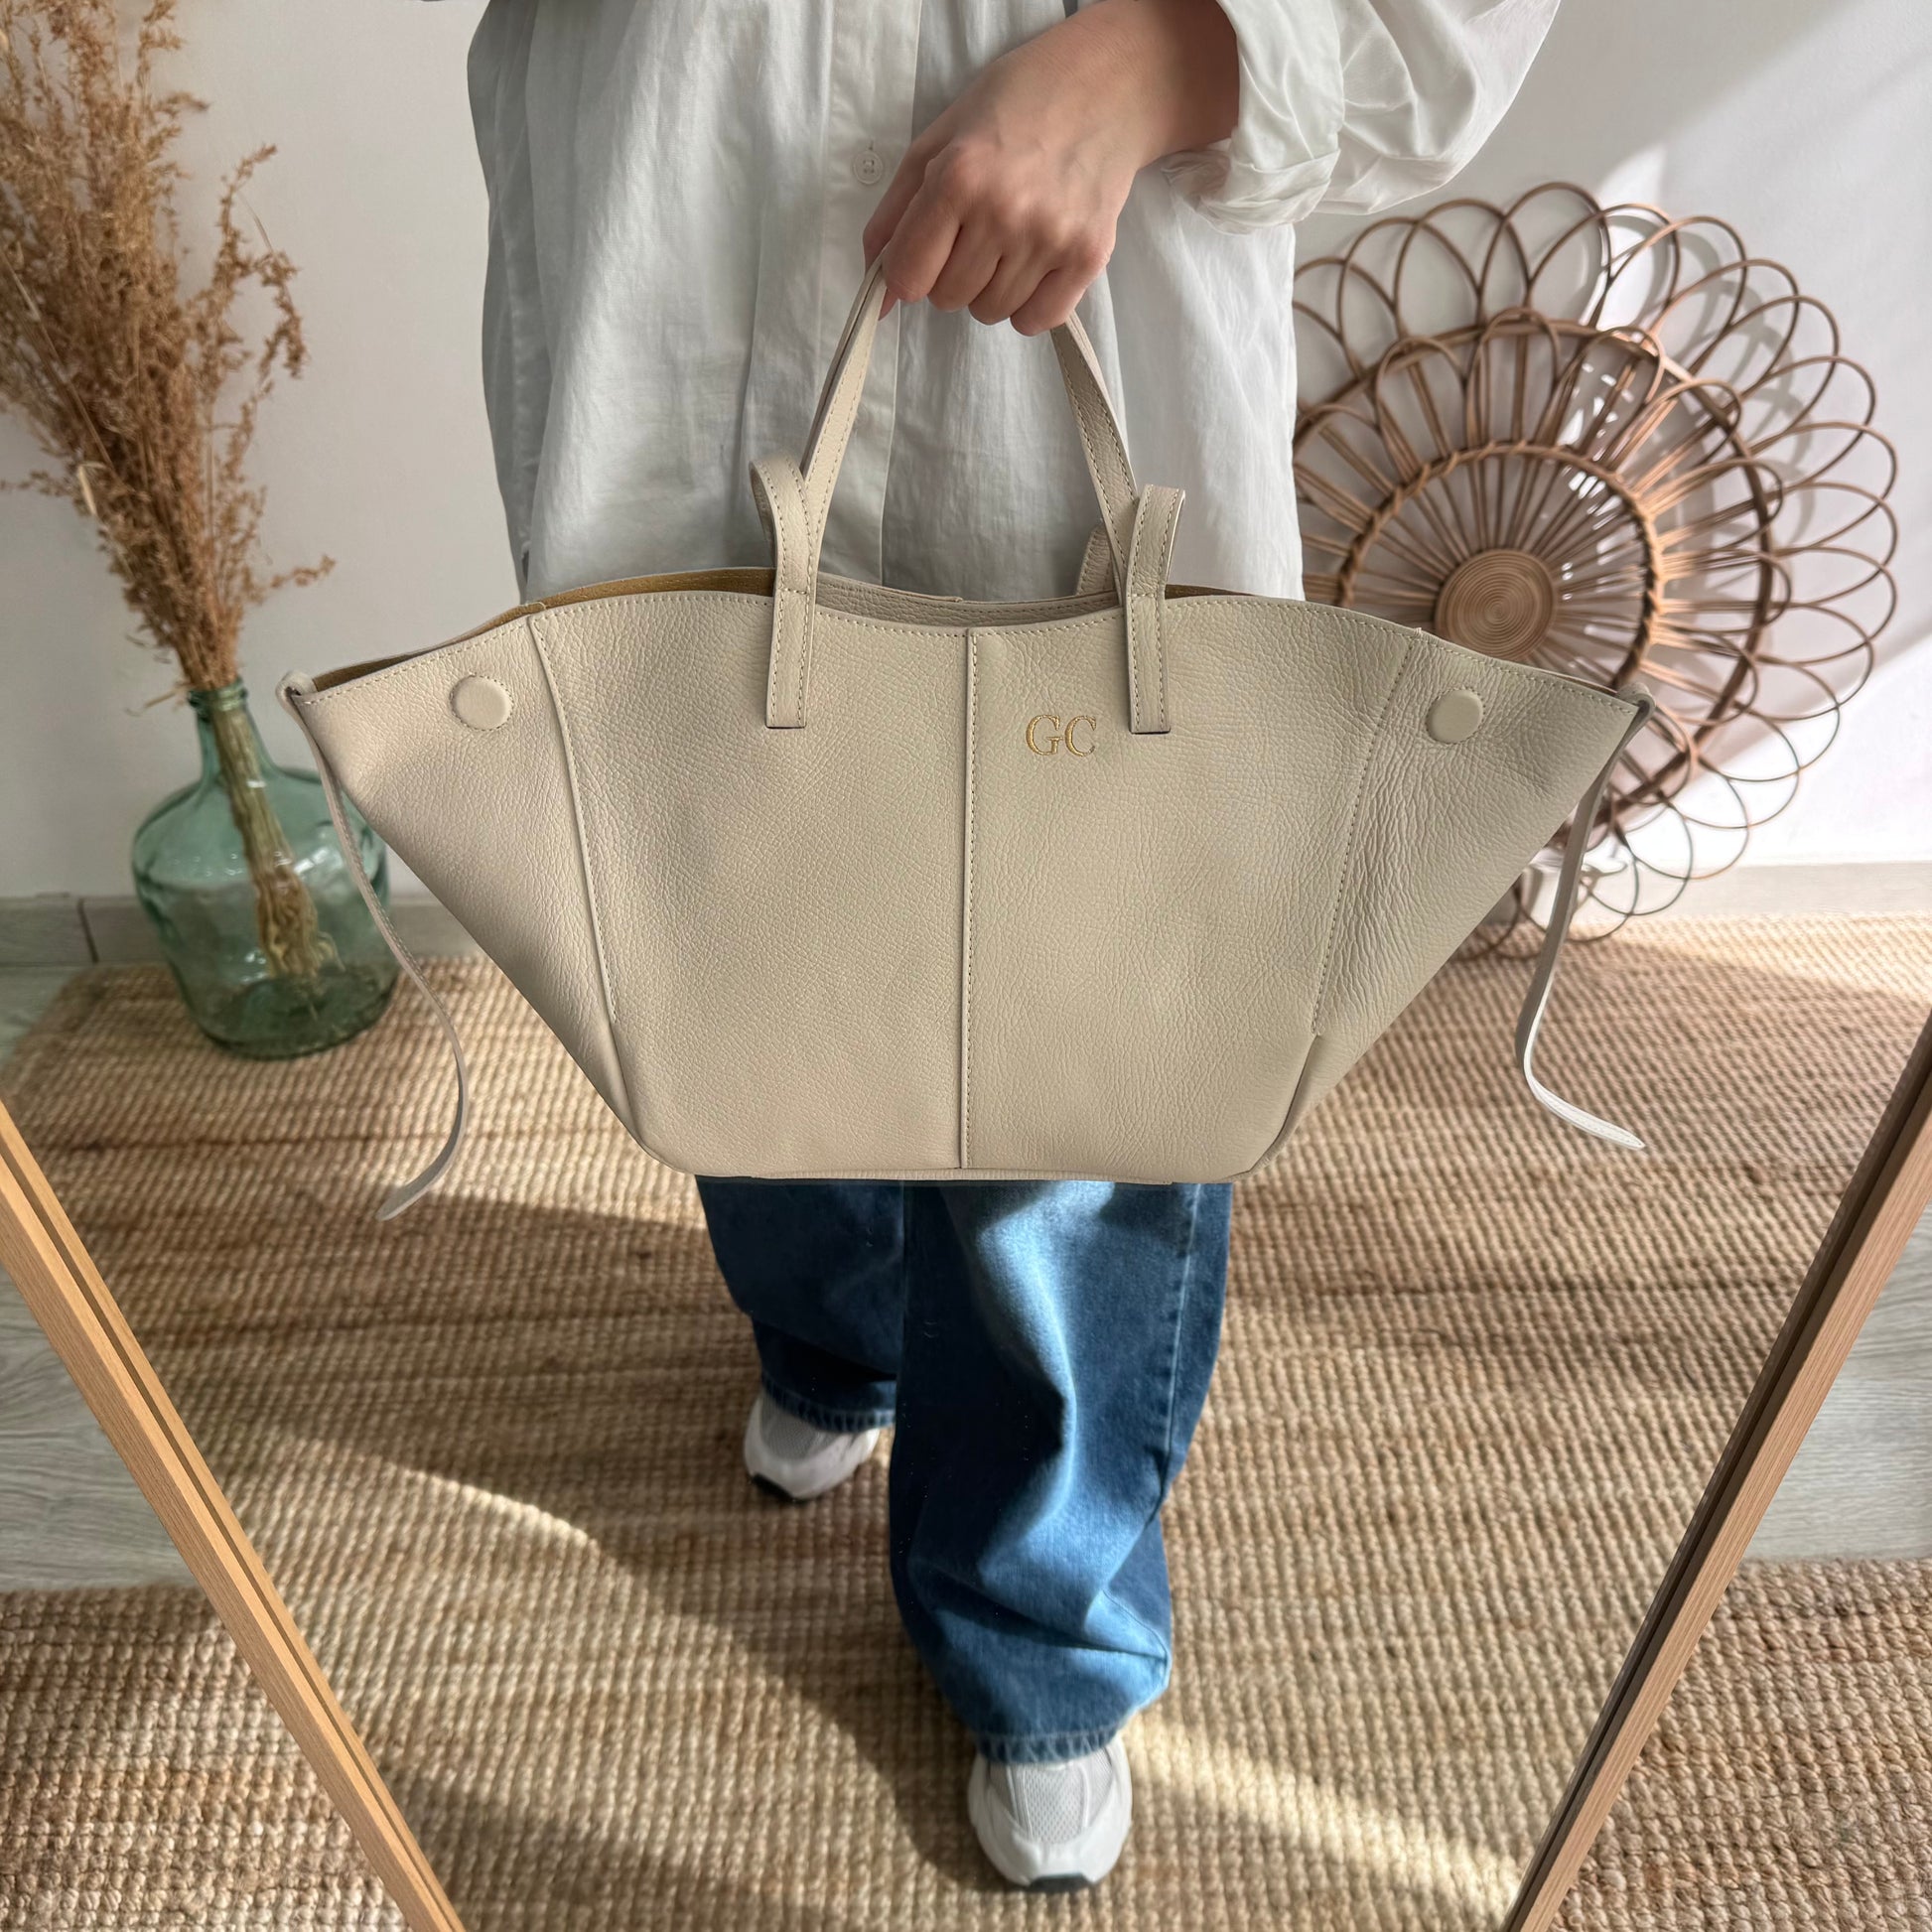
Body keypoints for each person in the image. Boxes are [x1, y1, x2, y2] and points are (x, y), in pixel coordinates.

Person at [458, 0, 1556, 1890]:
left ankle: (1036, 1614)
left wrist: (1165, 58)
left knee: (1091, 1025)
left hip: (1100, 291)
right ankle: (834, 1330)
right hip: (672, 256)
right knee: (731, 927)